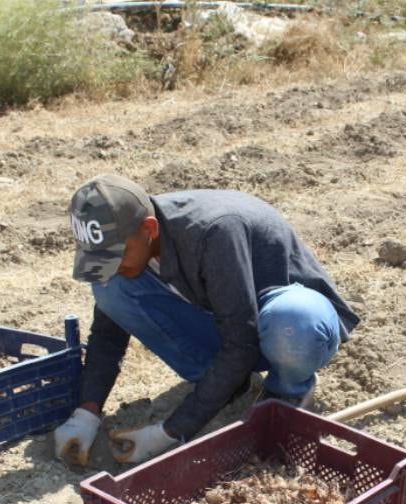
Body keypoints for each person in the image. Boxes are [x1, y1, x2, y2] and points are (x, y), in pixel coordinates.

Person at [52, 175, 359, 465]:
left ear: (149, 230)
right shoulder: (131, 238)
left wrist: (169, 432)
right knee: (110, 289)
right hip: (229, 316)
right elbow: (107, 335)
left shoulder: (213, 232)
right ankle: (230, 384)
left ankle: (288, 389)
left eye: (116, 255)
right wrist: (87, 412)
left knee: (294, 326)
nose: (113, 265)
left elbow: (241, 342)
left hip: (282, 309)